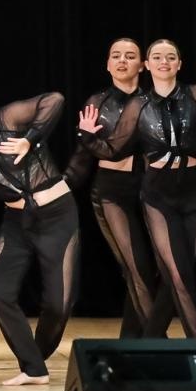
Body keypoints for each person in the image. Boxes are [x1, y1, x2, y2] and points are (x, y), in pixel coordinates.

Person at [77, 39, 196, 338]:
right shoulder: (139, 105)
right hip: (158, 194)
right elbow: (114, 150)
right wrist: (87, 137)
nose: (164, 61)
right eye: (157, 57)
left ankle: (149, 341)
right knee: (178, 274)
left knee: (183, 271)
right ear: (147, 65)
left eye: (171, 56)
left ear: (179, 64)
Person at [0, 89, 78, 384]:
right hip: (17, 221)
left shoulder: (6, 120)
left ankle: (37, 358)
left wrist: (29, 138)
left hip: (58, 215)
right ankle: (34, 369)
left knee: (59, 305)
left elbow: (55, 99)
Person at [64, 38, 169, 336]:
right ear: (108, 64)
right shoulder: (97, 103)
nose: (122, 60)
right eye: (116, 55)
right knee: (137, 269)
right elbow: (83, 157)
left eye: (130, 55)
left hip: (152, 190)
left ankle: (132, 341)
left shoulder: (155, 101)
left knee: (162, 272)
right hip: (112, 193)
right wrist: (61, 187)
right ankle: (157, 343)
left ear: (143, 65)